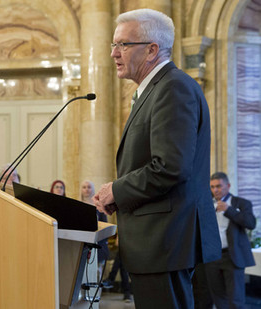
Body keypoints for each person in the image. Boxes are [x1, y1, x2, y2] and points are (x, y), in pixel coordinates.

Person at [93, 9, 221, 308]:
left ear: (152, 49)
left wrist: (117, 189)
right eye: (114, 45)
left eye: (123, 45)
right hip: (159, 242)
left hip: (165, 241)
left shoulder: (172, 88)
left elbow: (170, 166)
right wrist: (120, 195)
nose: (114, 53)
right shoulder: (154, 89)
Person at [205, 172, 256, 308]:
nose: (215, 190)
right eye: (212, 187)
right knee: (218, 299)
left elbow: (251, 223)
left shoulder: (241, 203)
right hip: (212, 257)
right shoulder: (207, 204)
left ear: (227, 186)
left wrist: (229, 210)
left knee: (236, 300)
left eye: (219, 186)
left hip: (232, 256)